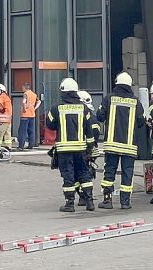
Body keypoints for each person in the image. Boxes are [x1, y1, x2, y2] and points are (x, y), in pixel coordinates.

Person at [97, 72, 146, 210]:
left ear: (117, 83)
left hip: (112, 144)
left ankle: (107, 200)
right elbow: (141, 122)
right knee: (127, 172)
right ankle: (125, 202)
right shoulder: (135, 101)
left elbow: (100, 116)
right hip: (129, 145)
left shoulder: (109, 99)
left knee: (109, 171)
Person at [45, 78, 95, 212]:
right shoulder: (84, 108)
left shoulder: (56, 108)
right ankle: (90, 202)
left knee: (68, 175)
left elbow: (49, 124)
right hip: (80, 149)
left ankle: (69, 204)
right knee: (84, 174)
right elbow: (89, 130)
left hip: (64, 149)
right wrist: (90, 148)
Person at [75, 90, 102, 207]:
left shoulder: (81, 116)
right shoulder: (93, 117)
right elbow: (96, 133)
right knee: (86, 174)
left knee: (77, 174)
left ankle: (82, 196)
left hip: (84, 150)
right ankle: (85, 196)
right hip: (90, 151)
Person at [18, 83, 41, 150]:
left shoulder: (25, 94)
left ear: (25, 87)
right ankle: (31, 145)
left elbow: (24, 102)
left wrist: (24, 109)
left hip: (25, 115)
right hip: (32, 115)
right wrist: (34, 108)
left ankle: (21, 146)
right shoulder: (34, 94)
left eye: (22, 87)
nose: (22, 89)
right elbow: (39, 102)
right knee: (31, 130)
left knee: (22, 131)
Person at [0, 84, 12, 148]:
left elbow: (0, 106)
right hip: (8, 119)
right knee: (7, 134)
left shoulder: (1, 96)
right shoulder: (7, 97)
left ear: (2, 90)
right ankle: (8, 146)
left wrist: (0, 110)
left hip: (2, 119)